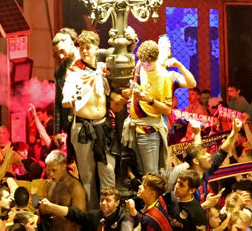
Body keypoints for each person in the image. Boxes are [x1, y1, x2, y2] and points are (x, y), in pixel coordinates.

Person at [122, 36, 196, 174]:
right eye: (161, 48)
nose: (164, 53)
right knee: (138, 168)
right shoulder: (140, 66)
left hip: (155, 124)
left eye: (166, 50)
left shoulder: (169, 75)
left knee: (155, 170)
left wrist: (179, 64)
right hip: (136, 123)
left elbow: (192, 84)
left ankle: (181, 172)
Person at [62, 31, 114, 209]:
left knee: (108, 172)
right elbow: (67, 90)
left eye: (88, 47)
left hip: (103, 127)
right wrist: (67, 99)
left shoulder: (102, 69)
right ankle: (93, 218)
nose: (84, 51)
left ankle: (111, 215)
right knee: (88, 176)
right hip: (83, 128)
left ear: (96, 49)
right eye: (81, 48)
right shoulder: (74, 72)